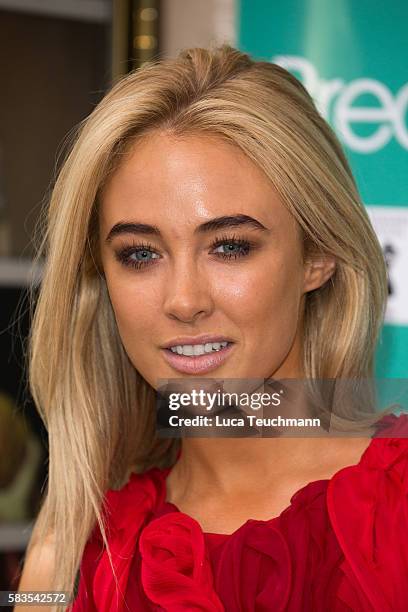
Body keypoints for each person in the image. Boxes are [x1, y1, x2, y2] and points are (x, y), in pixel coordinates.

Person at [17, 45, 408, 611]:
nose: (183, 300)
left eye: (230, 246)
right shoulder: (77, 554)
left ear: (318, 255)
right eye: (139, 254)